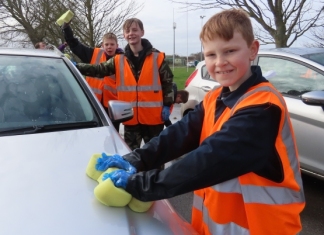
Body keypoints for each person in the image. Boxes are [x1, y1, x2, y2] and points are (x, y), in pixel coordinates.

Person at [93, 9, 306, 235]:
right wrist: (136, 159)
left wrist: (140, 185)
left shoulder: (263, 106)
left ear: (253, 50)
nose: (220, 62)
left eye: (230, 51)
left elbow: (210, 159)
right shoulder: (216, 97)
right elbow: (179, 134)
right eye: (211, 55)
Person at [76, 18, 174, 150]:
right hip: (130, 119)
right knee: (131, 157)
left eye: (134, 30)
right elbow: (98, 69)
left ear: (142, 32)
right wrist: (77, 66)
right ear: (124, 35)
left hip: (154, 119)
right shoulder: (119, 59)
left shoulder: (157, 57)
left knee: (155, 156)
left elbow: (168, 82)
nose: (131, 33)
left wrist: (167, 105)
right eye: (127, 31)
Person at [62, 23, 123, 131]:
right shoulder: (93, 53)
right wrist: (67, 29)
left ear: (117, 46)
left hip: (113, 106)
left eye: (112, 44)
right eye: (107, 44)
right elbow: (75, 46)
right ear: (102, 45)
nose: (109, 47)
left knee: (113, 134)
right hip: (93, 103)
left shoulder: (122, 60)